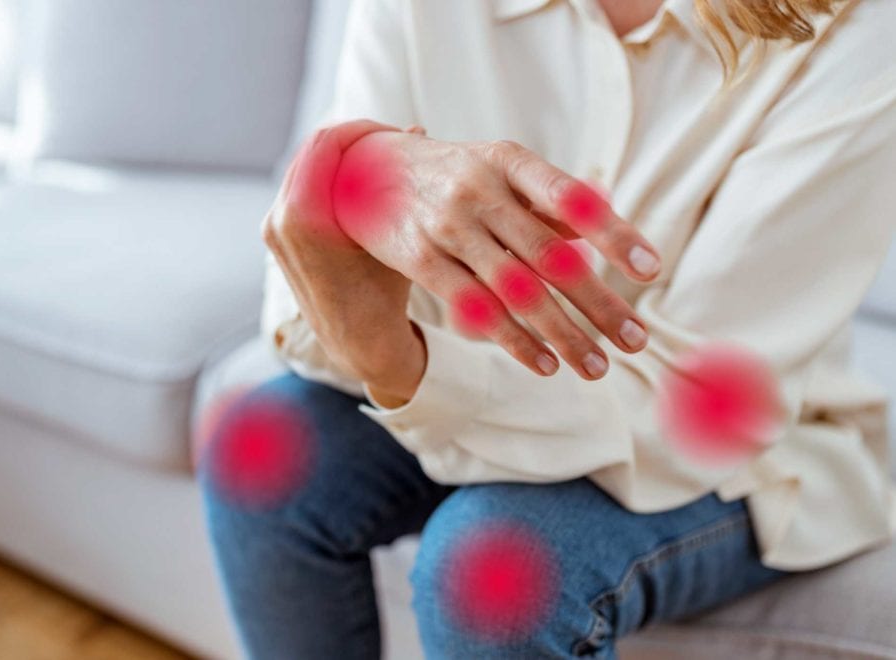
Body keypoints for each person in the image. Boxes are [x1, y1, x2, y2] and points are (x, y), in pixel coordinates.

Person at [201, 0, 896, 657]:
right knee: (260, 449)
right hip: (473, 373)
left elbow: (693, 409)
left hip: (745, 452)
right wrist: (355, 186)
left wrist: (399, 365)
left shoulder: (853, 32)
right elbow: (300, 295)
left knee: (495, 573)